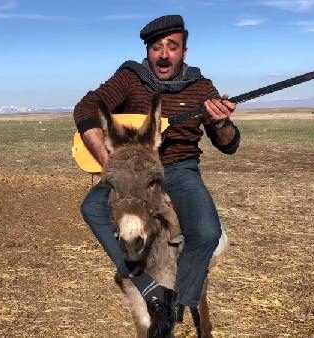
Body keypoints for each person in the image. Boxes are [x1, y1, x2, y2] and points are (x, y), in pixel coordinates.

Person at [73, 14, 240, 326]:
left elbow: (229, 145)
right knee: (91, 207)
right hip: (132, 171)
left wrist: (220, 121)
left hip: (181, 169)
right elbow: (86, 107)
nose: (164, 54)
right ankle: (145, 284)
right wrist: (109, 162)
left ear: (184, 52)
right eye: (156, 47)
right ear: (148, 51)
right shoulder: (129, 78)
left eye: (172, 47)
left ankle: (179, 301)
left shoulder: (202, 87)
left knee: (206, 231)